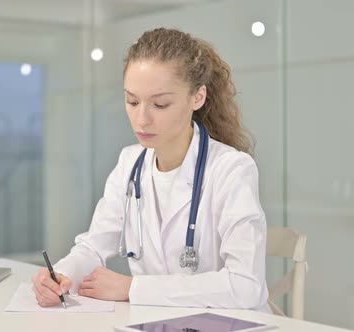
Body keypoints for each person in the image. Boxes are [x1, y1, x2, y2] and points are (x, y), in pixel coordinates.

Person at [32, 27, 270, 312]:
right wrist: (60, 275)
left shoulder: (231, 170)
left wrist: (133, 288)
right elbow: (93, 247)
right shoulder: (129, 163)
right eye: (132, 101)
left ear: (197, 97)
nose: (141, 119)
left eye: (160, 104)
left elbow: (247, 287)